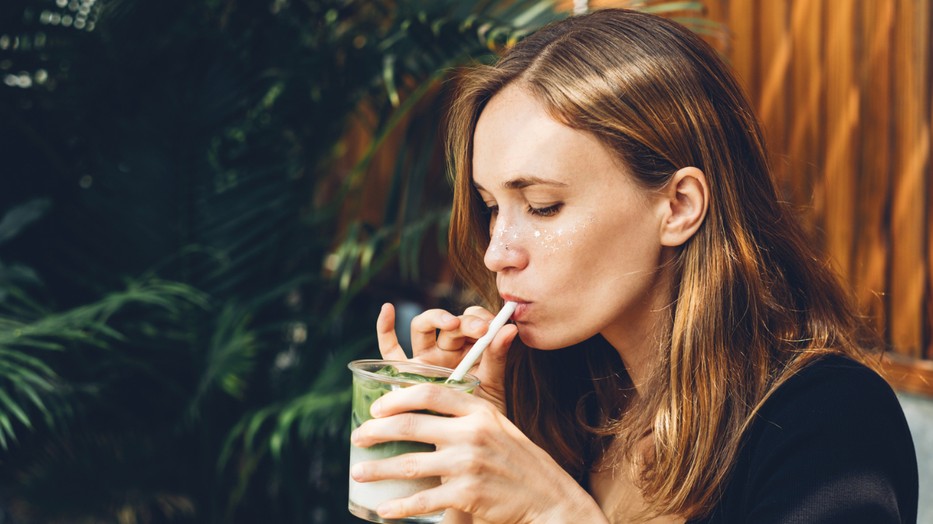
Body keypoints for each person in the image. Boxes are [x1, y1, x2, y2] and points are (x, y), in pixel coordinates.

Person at [349, 8, 919, 523]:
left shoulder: (826, 424)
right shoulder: (569, 410)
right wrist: (466, 494)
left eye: (543, 206)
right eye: (493, 207)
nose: (497, 252)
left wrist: (556, 512)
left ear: (678, 207)